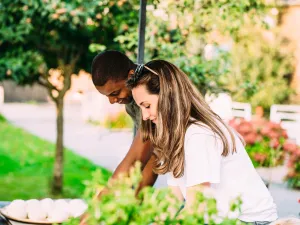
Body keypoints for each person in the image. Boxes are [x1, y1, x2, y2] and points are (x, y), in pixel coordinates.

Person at [126, 60, 278, 224]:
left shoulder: (198, 135)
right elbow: (174, 199)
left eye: (147, 106)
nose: (144, 116)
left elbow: (196, 207)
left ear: (168, 96)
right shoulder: (175, 136)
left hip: (249, 221)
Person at [91, 50, 158, 195]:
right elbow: (153, 154)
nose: (112, 101)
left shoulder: (151, 90)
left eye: (114, 93)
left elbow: (136, 158)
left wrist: (100, 204)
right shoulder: (131, 99)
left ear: (131, 75)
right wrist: (136, 200)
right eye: (107, 96)